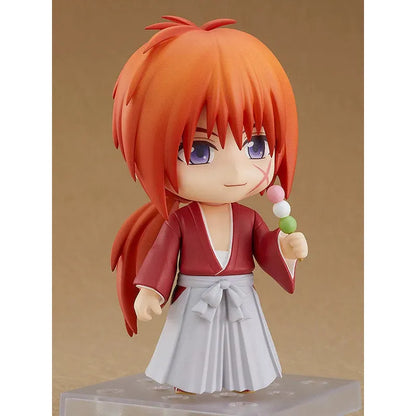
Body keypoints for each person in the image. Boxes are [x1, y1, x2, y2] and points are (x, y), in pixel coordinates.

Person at [111, 15, 308, 394]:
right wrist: (150, 291)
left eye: (256, 146)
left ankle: (245, 382)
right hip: (196, 301)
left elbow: (265, 250)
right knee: (192, 357)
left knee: (244, 354)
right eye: (199, 151)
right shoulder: (180, 222)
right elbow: (162, 259)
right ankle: (189, 386)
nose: (235, 170)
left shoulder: (248, 218)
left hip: (240, 300)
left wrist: (284, 247)